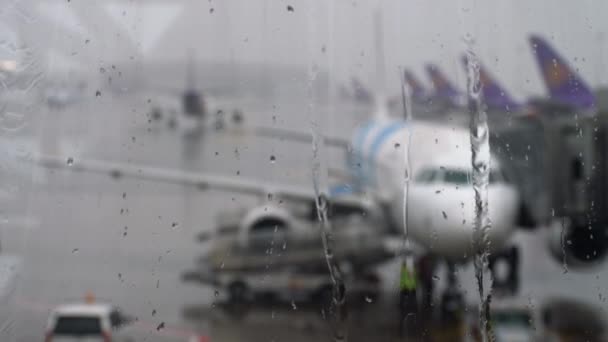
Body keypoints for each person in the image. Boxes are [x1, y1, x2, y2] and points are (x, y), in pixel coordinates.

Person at [398, 257, 418, 337]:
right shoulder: (408, 270)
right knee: (409, 299)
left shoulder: (406, 269)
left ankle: (407, 306)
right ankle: (409, 307)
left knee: (406, 299)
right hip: (408, 287)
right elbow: (408, 278)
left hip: (407, 287)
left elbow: (408, 278)